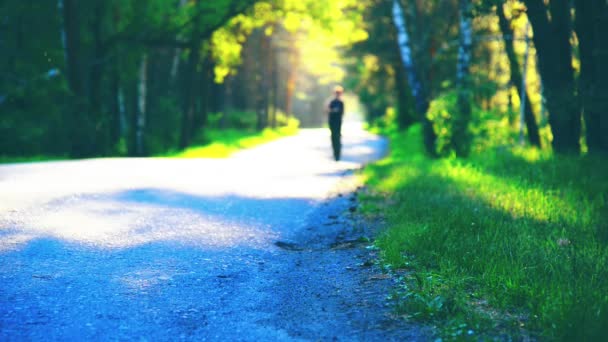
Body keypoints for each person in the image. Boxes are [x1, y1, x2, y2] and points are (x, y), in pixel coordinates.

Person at [327, 86, 344, 161]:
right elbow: (328, 110)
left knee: (338, 136)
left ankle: (338, 154)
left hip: (338, 122)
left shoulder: (341, 102)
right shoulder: (331, 102)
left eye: (339, 93)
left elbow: (342, 112)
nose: (337, 94)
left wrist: (336, 111)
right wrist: (333, 110)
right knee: (333, 137)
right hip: (332, 122)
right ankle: (335, 153)